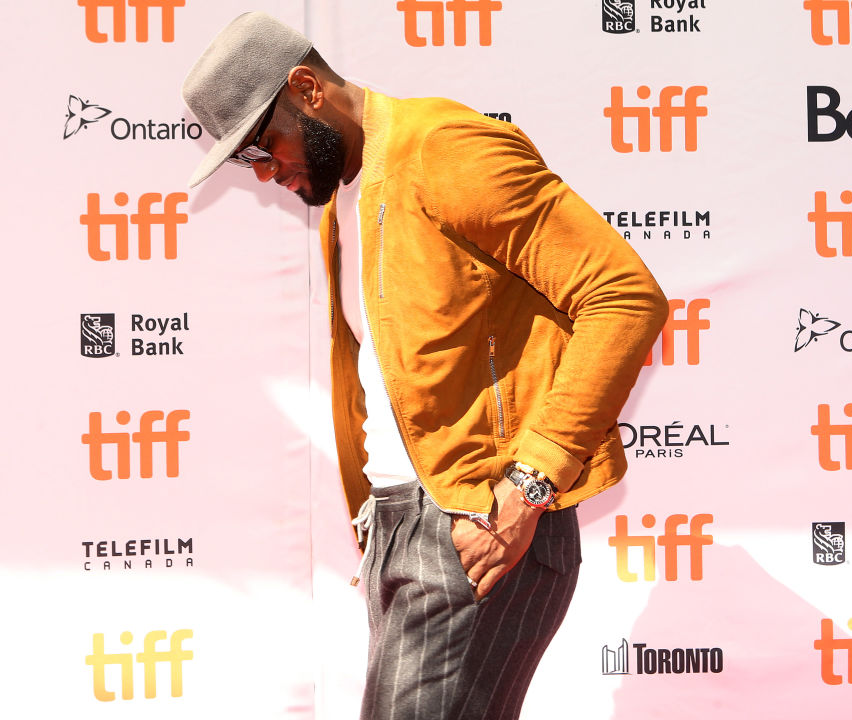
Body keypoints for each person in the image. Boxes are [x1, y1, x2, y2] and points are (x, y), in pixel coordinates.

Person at [182, 12, 667, 720]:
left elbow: (623, 296)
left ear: (307, 89)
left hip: (477, 518)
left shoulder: (442, 147)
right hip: (400, 523)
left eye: (262, 146)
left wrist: (528, 486)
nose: (263, 172)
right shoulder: (345, 198)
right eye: (243, 163)